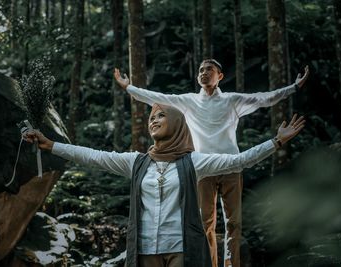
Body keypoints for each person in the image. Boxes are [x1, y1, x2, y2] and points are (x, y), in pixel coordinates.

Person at [24, 104, 304, 267]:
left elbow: (239, 161)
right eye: (150, 118)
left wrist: (276, 141)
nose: (153, 121)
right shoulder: (136, 162)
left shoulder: (194, 161)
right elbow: (93, 157)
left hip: (181, 248)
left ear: (178, 124)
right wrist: (52, 146)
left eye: (160, 116)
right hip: (144, 250)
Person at [114, 60, 309, 267]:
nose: (203, 73)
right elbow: (157, 98)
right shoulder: (189, 101)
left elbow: (264, 98)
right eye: (200, 70)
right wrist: (129, 87)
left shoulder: (231, 100)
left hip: (232, 166)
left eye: (209, 69)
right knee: (204, 223)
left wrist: (294, 87)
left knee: (233, 223)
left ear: (220, 76)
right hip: (202, 168)